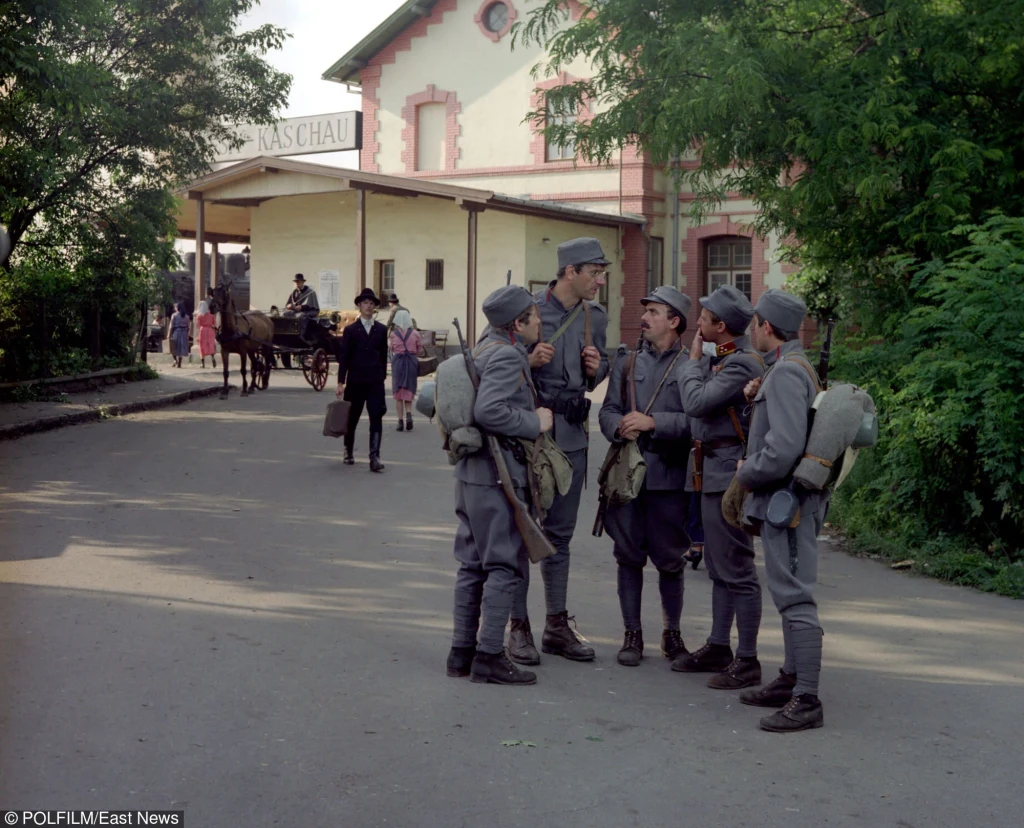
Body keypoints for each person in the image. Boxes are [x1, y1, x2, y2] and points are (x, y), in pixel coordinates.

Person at [507, 237, 610, 666]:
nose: (600, 281)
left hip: (572, 436)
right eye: (594, 273)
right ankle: (518, 627)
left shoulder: (595, 317)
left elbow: (600, 370)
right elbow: (492, 360)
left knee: (560, 536)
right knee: (522, 531)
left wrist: (597, 368)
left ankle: (556, 625)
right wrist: (527, 360)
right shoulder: (526, 311)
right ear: (570, 271)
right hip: (530, 438)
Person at [446, 285, 553, 685]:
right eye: (533, 316)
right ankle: (490, 656)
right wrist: (535, 422)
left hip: (471, 476)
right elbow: (489, 410)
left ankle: (461, 654)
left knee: (472, 565)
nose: (539, 321)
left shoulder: (483, 348)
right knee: (504, 565)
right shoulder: (507, 354)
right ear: (517, 324)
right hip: (497, 476)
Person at [735, 290, 826, 732]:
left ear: (767, 327)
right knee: (788, 591)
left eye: (755, 323)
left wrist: (748, 471)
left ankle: (806, 698)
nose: (752, 330)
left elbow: (784, 448)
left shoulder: (787, 372)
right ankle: (791, 679)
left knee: (795, 596)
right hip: (787, 502)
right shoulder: (790, 367)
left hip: (787, 503)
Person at [673, 285, 766, 690]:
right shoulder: (728, 357)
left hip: (727, 474)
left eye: (704, 317)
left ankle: (747, 659)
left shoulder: (742, 363)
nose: (697, 323)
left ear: (722, 326)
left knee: (737, 568)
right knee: (718, 566)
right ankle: (718, 645)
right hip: (710, 469)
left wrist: (693, 362)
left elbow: (695, 403)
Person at [598, 286, 694, 667]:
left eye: (654, 312)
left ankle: (673, 634)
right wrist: (618, 427)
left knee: (671, 560)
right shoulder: (627, 362)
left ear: (674, 321)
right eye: (646, 311)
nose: (645, 318)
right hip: (626, 480)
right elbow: (607, 411)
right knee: (628, 556)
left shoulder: (692, 367)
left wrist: (654, 423)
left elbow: (698, 423)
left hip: (669, 479)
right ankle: (632, 635)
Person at [335, 288, 389, 472]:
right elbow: (345, 357)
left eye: (371, 303)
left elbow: (383, 356)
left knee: (376, 417)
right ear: (359, 305)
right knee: (352, 418)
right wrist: (340, 382)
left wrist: (382, 377)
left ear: (374, 307)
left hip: (374, 382)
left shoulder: (381, 330)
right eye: (365, 302)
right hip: (356, 382)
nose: (368, 306)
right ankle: (348, 451)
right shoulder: (351, 330)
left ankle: (375, 457)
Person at [389, 309, 421, 432]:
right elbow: (419, 350)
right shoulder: (415, 333)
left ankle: (400, 421)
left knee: (398, 391)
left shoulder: (393, 334)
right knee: (408, 389)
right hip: (411, 361)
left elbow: (392, 348)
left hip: (397, 362)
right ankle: (409, 415)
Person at [167, 303, 191, 368]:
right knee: (181, 348)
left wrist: (169, 334)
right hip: (184, 333)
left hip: (176, 331)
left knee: (173, 347)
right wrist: (188, 334)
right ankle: (179, 362)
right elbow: (188, 326)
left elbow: (171, 325)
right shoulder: (187, 316)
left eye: (175, 307)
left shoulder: (174, 315)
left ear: (177, 308)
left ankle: (175, 360)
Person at [195, 300, 218, 369]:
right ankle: (212, 357)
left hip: (203, 331)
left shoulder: (199, 316)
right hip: (210, 331)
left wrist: (197, 335)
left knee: (202, 347)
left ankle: (203, 364)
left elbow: (198, 326)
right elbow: (214, 324)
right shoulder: (211, 316)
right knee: (211, 345)